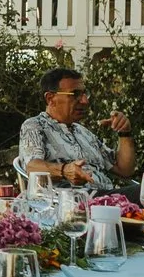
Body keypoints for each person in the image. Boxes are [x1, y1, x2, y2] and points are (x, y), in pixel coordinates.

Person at [18, 67, 135, 196]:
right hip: (71, 202)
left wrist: (125, 132)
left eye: (85, 94)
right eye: (75, 94)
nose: (85, 101)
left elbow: (124, 169)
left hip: (107, 200)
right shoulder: (35, 126)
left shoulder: (83, 132)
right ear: (50, 98)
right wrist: (64, 170)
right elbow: (32, 167)